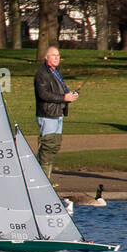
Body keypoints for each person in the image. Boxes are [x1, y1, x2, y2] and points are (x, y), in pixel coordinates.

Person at [33, 45, 80, 181]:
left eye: (58, 56)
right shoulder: (42, 74)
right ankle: (42, 178)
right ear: (46, 58)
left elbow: (58, 91)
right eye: (53, 55)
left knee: (55, 145)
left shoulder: (56, 72)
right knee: (48, 145)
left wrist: (69, 96)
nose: (56, 58)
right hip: (47, 114)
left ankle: (45, 177)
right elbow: (43, 94)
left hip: (58, 113)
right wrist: (63, 98)